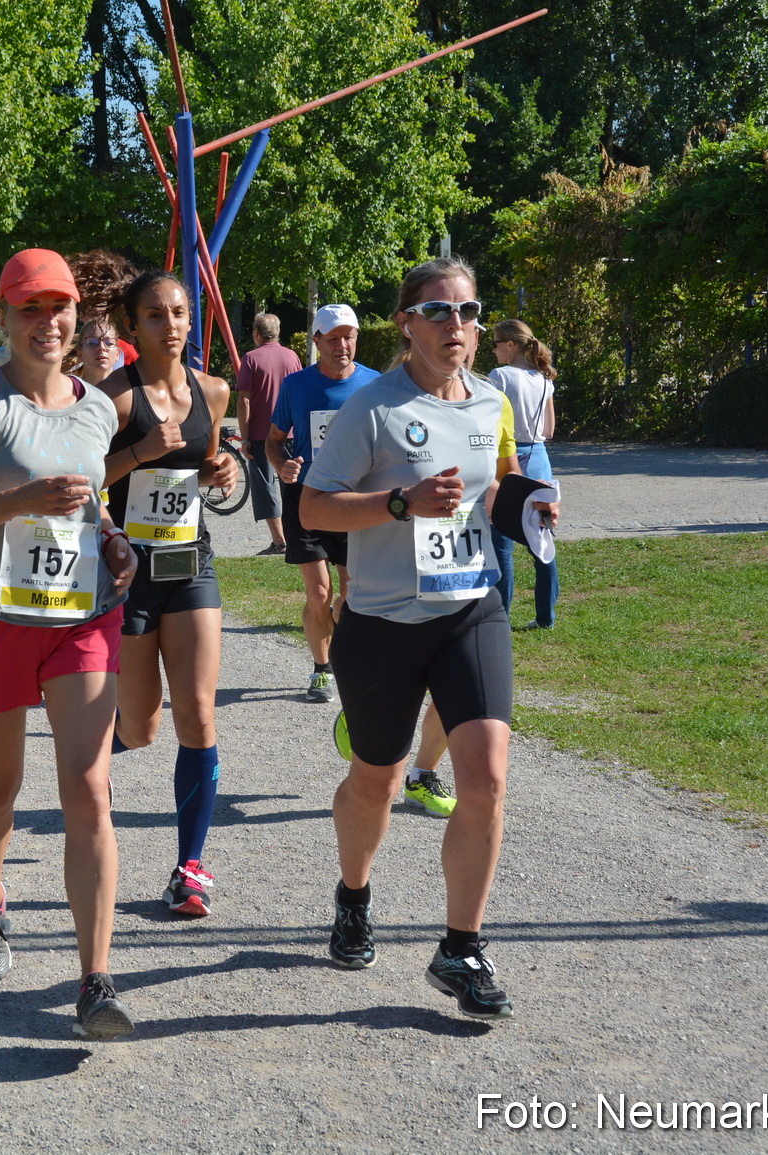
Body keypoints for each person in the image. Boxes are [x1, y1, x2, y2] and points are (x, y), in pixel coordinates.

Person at [300, 255, 552, 1021]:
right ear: (406, 322)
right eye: (440, 312)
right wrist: (400, 505)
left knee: (488, 774)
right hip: (380, 623)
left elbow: (497, 482)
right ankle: (353, 894)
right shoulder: (371, 408)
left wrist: (531, 507)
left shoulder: (492, 399)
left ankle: (461, 946)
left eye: (470, 313)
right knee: (375, 779)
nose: (458, 327)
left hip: (470, 608)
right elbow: (314, 507)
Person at [0, 249, 139, 1039]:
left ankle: (95, 978)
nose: (49, 324)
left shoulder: (100, 409)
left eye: (60, 308)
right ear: (5, 320)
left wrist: (115, 542)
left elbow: (92, 506)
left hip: (82, 620)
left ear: (79, 315)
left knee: (88, 789)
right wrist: (19, 498)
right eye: (31, 310)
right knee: (0, 789)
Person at [94, 266, 239, 917]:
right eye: (156, 315)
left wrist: (221, 470)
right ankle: (92, 752)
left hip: (190, 563)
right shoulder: (116, 397)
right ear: (134, 326)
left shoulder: (214, 390)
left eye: (180, 312)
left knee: (198, 714)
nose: (171, 325)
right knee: (145, 726)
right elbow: (78, 471)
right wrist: (139, 452)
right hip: (129, 573)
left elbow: (211, 475)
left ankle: (190, 866)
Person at [267, 303, 376, 703]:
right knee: (318, 593)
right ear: (316, 342)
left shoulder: (375, 385)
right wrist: (283, 467)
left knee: (351, 594)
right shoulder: (296, 386)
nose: (342, 345)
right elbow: (274, 440)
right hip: (307, 497)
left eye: (348, 336)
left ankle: (343, 651)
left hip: (354, 499)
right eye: (332, 338)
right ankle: (321, 669)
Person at [487, 319, 560, 628]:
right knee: (541, 540)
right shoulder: (544, 378)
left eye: (495, 344)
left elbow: (490, 422)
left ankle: (500, 616)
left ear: (510, 345)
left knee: (501, 540)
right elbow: (549, 430)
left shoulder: (500, 377)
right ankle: (546, 617)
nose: (492, 350)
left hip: (510, 456)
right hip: (539, 456)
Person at [236, 313, 302, 555]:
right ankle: (296, 536)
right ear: (278, 332)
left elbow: (244, 400)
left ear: (256, 333)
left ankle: (279, 541)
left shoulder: (251, 359)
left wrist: (244, 438)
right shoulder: (292, 356)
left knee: (265, 486)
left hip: (261, 433)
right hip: (291, 432)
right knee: (291, 484)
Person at [72, 318, 121, 386]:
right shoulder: (69, 392)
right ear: (80, 354)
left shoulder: (128, 393)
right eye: (92, 343)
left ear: (117, 355)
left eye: (109, 343)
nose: (101, 347)